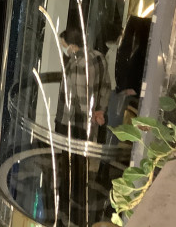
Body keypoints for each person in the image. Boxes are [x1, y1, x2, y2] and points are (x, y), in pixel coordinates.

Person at [54, 26, 111, 226]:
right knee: (81, 160)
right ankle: (79, 195)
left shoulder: (78, 63)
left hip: (71, 121)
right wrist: (100, 111)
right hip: (88, 121)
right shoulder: (98, 57)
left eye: (63, 44)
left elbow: (82, 98)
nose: (63, 48)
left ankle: (67, 200)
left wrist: (90, 119)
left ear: (71, 45)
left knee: (68, 160)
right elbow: (106, 86)